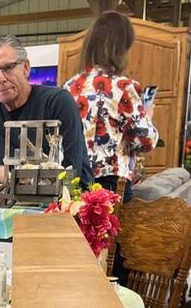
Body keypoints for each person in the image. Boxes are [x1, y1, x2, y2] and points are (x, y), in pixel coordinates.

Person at [63, 11, 158, 199]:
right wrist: (148, 116)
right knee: (111, 228)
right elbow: (145, 141)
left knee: (78, 228)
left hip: (74, 179)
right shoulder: (122, 87)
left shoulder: (69, 87)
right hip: (111, 181)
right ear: (120, 49)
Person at [0, 35, 91, 189]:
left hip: (66, 207)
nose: (1, 78)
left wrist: (10, 176)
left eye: (8, 67)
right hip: (9, 211)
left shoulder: (57, 103)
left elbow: (70, 175)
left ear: (26, 67)